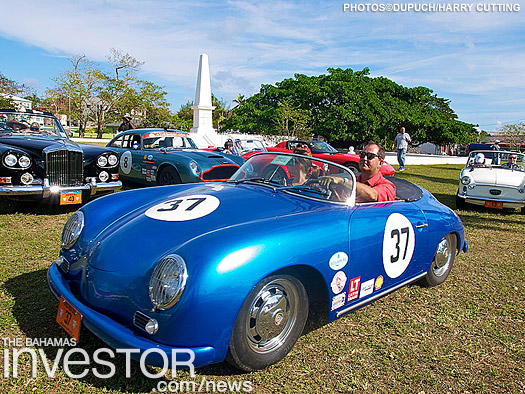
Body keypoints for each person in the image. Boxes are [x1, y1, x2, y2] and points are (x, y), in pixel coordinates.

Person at [320, 141, 396, 203]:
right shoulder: (352, 181)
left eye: (370, 156)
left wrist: (343, 181)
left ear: (380, 163)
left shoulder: (387, 186)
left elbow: (373, 195)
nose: (364, 159)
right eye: (362, 155)